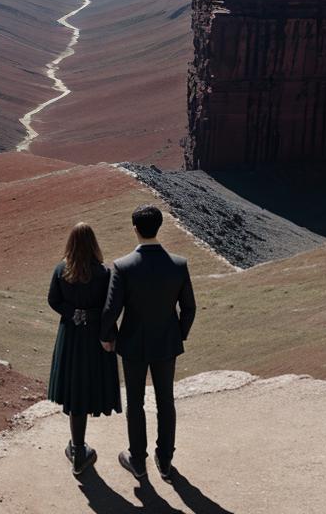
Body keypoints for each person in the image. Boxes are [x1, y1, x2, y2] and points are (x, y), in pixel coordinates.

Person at [100, 204, 196, 483]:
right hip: (167, 344)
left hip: (132, 344)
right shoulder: (178, 264)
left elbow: (110, 311)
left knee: (136, 403)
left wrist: (108, 337)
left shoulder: (123, 266)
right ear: (158, 227)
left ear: (135, 229)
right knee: (166, 401)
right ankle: (165, 461)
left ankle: (137, 461)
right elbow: (189, 308)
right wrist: (179, 334)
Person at [46, 222, 122, 476]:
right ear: (93, 244)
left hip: (70, 336)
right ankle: (80, 451)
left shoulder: (61, 271)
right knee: (90, 384)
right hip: (94, 337)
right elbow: (110, 309)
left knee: (74, 390)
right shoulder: (104, 273)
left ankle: (77, 449)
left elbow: (53, 300)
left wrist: (73, 313)